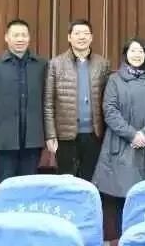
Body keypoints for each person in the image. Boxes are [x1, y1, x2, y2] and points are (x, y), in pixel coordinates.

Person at [92, 38, 145, 236]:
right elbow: (110, 111)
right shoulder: (115, 80)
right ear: (126, 54)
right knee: (120, 199)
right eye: (133, 51)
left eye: (141, 51)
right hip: (121, 144)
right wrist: (133, 135)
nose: (137, 54)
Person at [0, 19, 48, 184]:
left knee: (29, 185)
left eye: (24, 35)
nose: (20, 39)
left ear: (29, 38)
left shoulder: (42, 65)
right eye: (16, 35)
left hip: (33, 138)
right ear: (6, 37)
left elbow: (48, 101)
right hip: (3, 138)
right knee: (5, 185)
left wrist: (49, 135)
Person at [44, 19, 111, 180]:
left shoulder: (102, 64)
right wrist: (50, 135)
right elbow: (48, 103)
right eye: (77, 33)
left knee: (91, 180)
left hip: (94, 135)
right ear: (69, 37)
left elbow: (108, 101)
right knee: (66, 181)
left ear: (91, 37)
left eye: (86, 33)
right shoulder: (55, 64)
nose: (82, 37)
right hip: (65, 135)